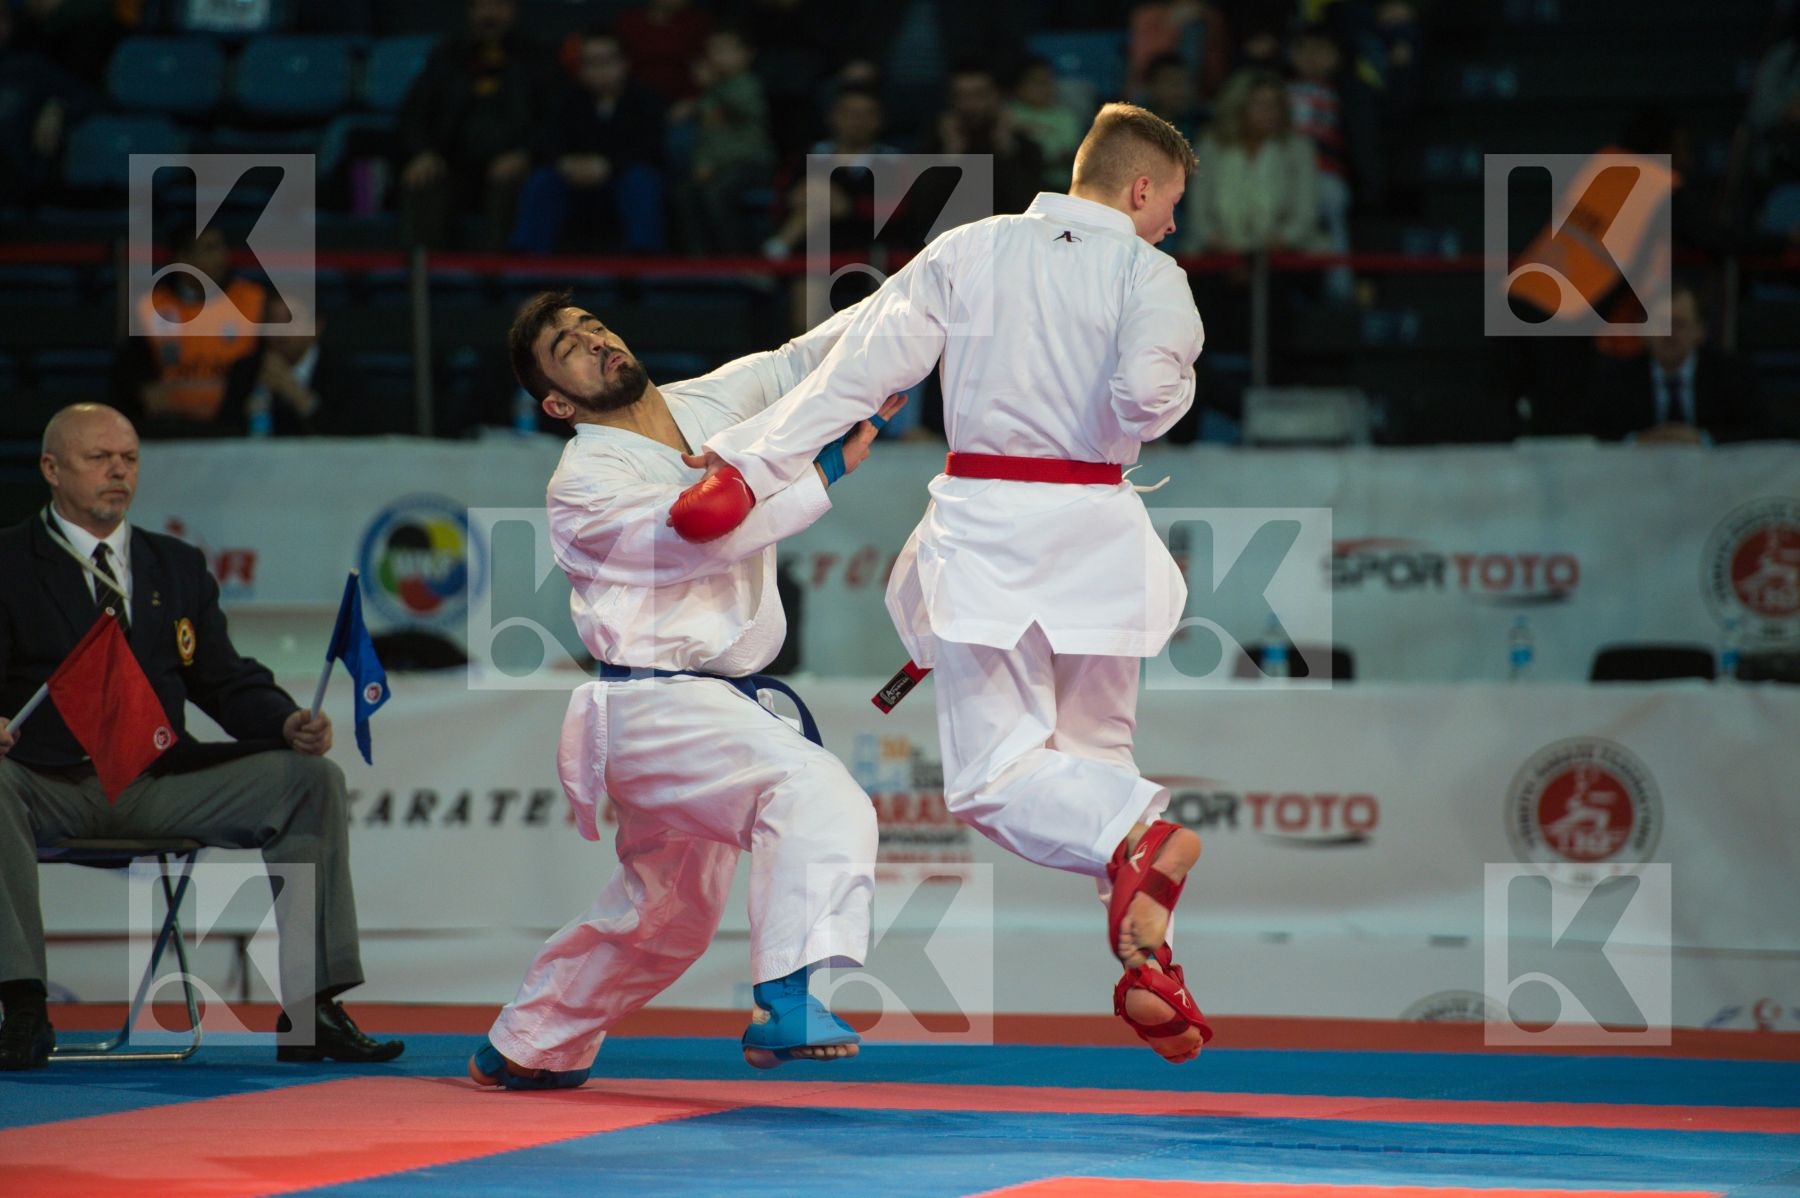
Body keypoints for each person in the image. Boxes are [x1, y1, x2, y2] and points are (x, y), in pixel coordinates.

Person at [685, 103, 1213, 1064]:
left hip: (993, 534)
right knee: (1093, 757)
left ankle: (1142, 833)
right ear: (1141, 189)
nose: (1173, 224)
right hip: (1098, 537)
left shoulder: (969, 249)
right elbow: (1144, 398)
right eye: (1171, 204)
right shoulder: (1154, 273)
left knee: (995, 778)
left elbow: (857, 373)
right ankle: (1150, 965)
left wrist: (745, 468)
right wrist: (1162, 400)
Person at [467, 290, 900, 1089]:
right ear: (557, 401)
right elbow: (696, 530)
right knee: (815, 793)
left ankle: (530, 1043)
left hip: (714, 701)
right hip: (654, 704)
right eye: (568, 347)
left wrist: (917, 303)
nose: (595, 341)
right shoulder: (584, 482)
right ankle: (787, 997)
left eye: (595, 325)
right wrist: (826, 463)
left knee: (666, 919)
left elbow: (805, 359)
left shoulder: (706, 401)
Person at [0, 404, 402, 1071]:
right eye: (99, 458)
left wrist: (284, 722)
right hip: (47, 784)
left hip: (161, 782)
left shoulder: (175, 565)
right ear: (51, 468)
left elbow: (225, 680)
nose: (118, 471)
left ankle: (311, 1009)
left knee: (310, 781)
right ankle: (21, 1007)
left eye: (128, 458)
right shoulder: (9, 561)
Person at [394, 0, 559, 249]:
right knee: (423, 181)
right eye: (483, 6)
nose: (490, 14)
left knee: (517, 184)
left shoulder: (537, 57)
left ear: (513, 10)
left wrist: (526, 154)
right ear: (470, 11)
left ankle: (499, 280)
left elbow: (554, 120)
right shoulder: (447, 55)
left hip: (513, 165)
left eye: (499, 6)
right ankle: (424, 280)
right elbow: (413, 113)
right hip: (452, 164)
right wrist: (422, 153)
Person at [508, 28, 669, 254]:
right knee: (542, 180)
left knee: (642, 180)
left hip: (621, 180)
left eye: (607, 60)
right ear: (581, 69)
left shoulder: (646, 101)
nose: (600, 70)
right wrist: (565, 163)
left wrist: (608, 165)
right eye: (591, 62)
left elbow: (652, 149)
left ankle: (641, 263)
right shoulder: (566, 100)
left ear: (624, 63)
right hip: (573, 182)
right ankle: (526, 263)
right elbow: (547, 141)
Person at [1586, 284, 1763, 444]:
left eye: (1680, 324)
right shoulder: (1616, 377)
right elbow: (1593, 432)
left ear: (1700, 331)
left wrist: (1702, 439)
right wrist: (1636, 441)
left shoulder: (1732, 373)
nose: (1670, 333)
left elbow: (1763, 430)